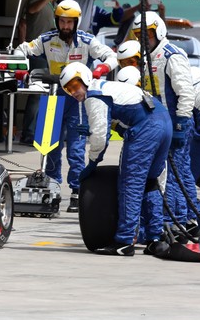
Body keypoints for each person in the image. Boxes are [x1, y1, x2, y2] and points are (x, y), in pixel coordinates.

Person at [15, 0, 117, 213]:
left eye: (70, 22)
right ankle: (51, 189)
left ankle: (77, 191)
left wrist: (101, 69)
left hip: (78, 99)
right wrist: (20, 69)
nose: (66, 26)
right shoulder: (46, 39)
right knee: (48, 146)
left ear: (77, 22)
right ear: (57, 21)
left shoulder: (88, 41)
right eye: (62, 21)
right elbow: (22, 49)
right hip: (53, 95)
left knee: (76, 149)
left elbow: (111, 56)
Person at [59, 62, 172, 256]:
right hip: (164, 121)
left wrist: (93, 162)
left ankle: (124, 241)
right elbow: (124, 117)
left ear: (85, 78)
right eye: (69, 89)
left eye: (75, 85)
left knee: (130, 184)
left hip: (146, 128)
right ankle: (155, 237)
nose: (74, 92)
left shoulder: (94, 96)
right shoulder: (106, 87)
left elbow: (100, 139)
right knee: (151, 182)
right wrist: (101, 130)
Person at [130, 11, 199, 235]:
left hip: (176, 124)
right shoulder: (145, 58)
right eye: (139, 35)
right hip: (158, 126)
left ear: (158, 32)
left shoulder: (171, 55)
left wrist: (181, 124)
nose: (143, 40)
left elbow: (186, 93)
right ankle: (188, 218)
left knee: (175, 174)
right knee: (173, 172)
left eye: (147, 35)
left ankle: (178, 220)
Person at [18, 0, 62, 145]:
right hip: (36, 53)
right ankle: (28, 133)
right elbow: (31, 10)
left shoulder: (53, 4)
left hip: (51, 54)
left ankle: (44, 132)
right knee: (37, 93)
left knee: (50, 92)